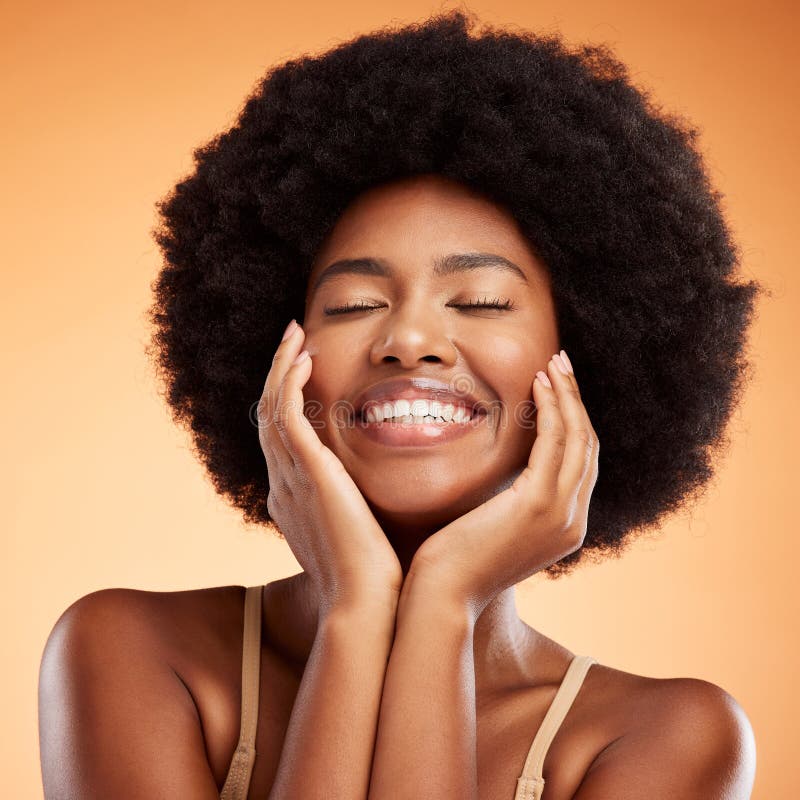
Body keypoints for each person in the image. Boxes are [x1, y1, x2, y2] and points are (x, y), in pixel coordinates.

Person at [39, 10, 761, 799]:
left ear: (589, 357)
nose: (409, 338)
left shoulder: (665, 737)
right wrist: (355, 613)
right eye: (352, 304)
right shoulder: (131, 652)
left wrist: (442, 602)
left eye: (481, 300)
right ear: (274, 356)